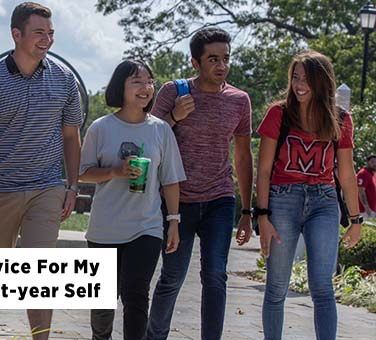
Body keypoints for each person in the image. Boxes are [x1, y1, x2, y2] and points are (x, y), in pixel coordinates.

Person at [0, 2, 82, 338]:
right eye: (39, 32)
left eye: (51, 33)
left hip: (47, 187)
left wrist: (72, 186)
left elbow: (71, 136)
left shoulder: (65, 79)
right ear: (16, 34)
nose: (47, 40)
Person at [146, 27, 253, 340]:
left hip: (220, 198)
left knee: (216, 276)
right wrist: (175, 117)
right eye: (213, 59)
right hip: (177, 199)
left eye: (226, 59)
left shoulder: (239, 101)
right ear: (195, 62)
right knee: (173, 276)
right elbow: (148, 137)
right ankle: (155, 337)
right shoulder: (174, 92)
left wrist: (248, 210)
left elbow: (243, 157)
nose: (221, 66)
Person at [255, 50, 363, 340]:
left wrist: (356, 219)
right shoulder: (279, 113)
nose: (299, 85)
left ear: (322, 82)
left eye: (307, 79)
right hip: (282, 199)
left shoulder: (341, 118)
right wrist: (262, 215)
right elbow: (263, 170)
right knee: (277, 287)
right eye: (295, 78)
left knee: (323, 288)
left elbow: (346, 173)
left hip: (323, 202)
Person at [79, 60, 186, 340]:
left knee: (136, 295)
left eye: (149, 81)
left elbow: (171, 179)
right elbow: (83, 173)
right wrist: (115, 171)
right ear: (120, 87)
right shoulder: (101, 128)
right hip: (104, 228)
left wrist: (173, 221)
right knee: (101, 303)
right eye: (136, 81)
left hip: (146, 227)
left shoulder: (161, 130)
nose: (145, 87)